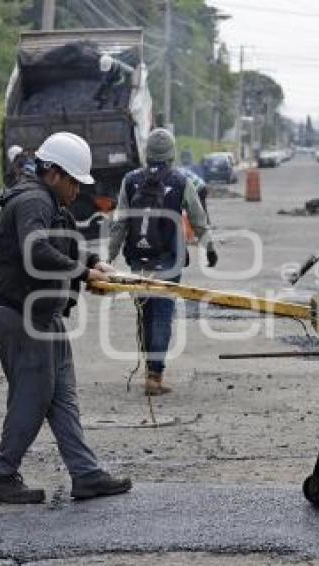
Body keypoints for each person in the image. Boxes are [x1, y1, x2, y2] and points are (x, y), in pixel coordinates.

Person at [0, 131, 132, 504]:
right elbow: (38, 248)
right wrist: (81, 274)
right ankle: (0, 475)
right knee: (33, 396)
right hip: (21, 313)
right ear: (55, 173)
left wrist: (95, 263)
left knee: (62, 394)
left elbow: (64, 240)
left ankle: (85, 474)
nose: (78, 191)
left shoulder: (49, 200)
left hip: (44, 313)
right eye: (74, 182)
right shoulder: (33, 200)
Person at [108, 128, 218, 396]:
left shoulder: (130, 180)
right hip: (169, 261)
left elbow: (120, 222)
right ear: (171, 154)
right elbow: (198, 218)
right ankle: (155, 376)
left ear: (148, 154)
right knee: (162, 316)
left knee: (145, 313)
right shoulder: (181, 181)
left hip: (138, 260)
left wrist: (108, 257)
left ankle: (149, 370)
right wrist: (209, 248)